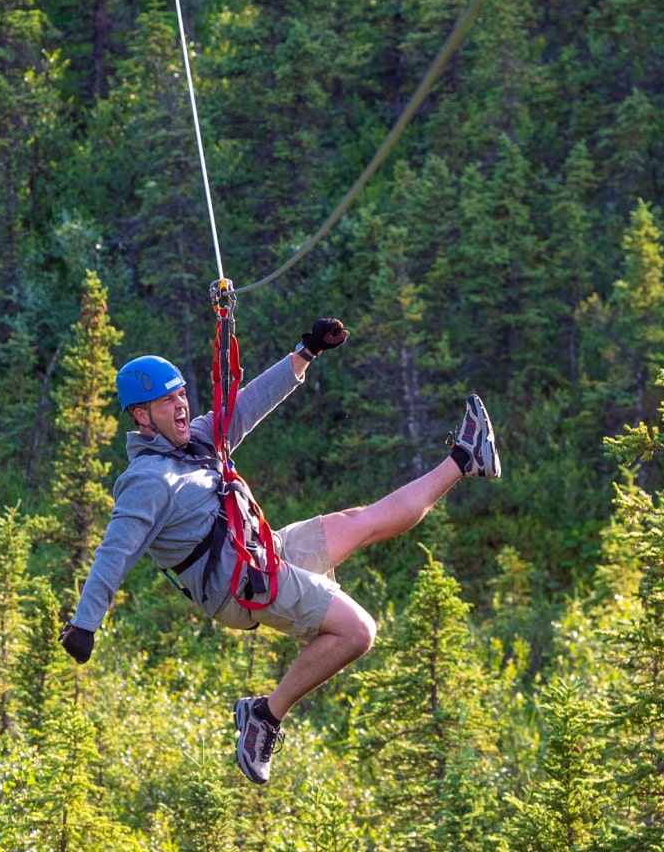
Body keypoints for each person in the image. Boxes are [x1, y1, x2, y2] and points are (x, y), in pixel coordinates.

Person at [58, 317, 501, 784]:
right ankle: (264, 717)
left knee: (362, 523)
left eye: (182, 394)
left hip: (265, 549)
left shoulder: (201, 440)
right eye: (168, 401)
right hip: (244, 585)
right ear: (142, 416)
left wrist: (306, 351)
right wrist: (85, 625)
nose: (182, 405)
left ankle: (464, 457)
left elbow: (248, 403)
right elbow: (114, 554)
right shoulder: (145, 482)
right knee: (359, 632)